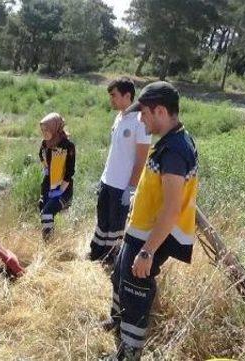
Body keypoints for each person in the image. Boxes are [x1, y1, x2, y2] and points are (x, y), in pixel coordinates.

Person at [104, 81, 198, 361]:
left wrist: (147, 251)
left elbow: (172, 210)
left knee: (136, 291)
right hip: (140, 230)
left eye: (144, 113)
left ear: (159, 111)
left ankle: (129, 353)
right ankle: (118, 326)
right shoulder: (171, 141)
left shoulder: (175, 151)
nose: (141, 119)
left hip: (150, 238)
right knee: (120, 275)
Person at [90, 77, 151, 265]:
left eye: (114, 95)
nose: (112, 99)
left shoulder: (140, 122)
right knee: (103, 222)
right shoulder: (120, 116)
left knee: (116, 226)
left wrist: (131, 188)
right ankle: (96, 254)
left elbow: (141, 159)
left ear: (127, 95)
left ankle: (109, 259)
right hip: (107, 181)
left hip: (122, 185)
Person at [38, 112, 76, 240]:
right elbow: (40, 154)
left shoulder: (67, 146)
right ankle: (48, 243)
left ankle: (49, 246)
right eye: (42, 130)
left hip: (63, 189)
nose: (44, 133)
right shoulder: (46, 143)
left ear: (55, 128)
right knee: (43, 212)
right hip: (48, 185)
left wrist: (59, 190)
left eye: (47, 130)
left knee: (47, 213)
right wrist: (46, 168)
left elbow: (69, 173)